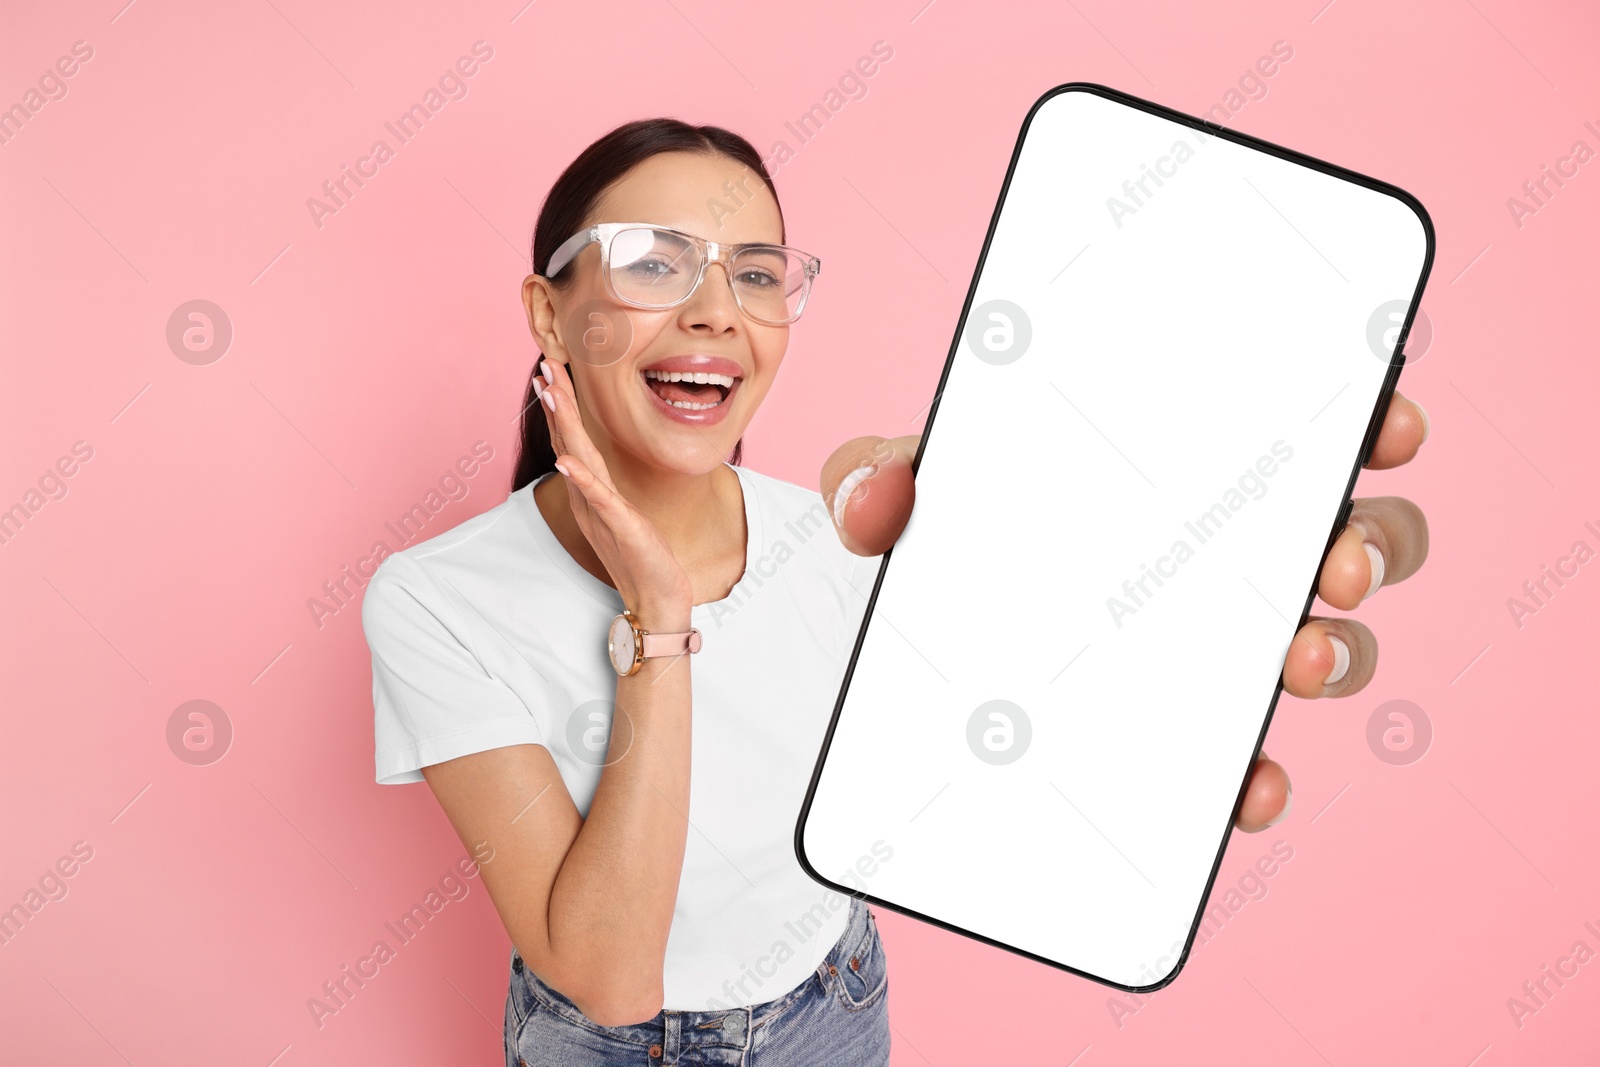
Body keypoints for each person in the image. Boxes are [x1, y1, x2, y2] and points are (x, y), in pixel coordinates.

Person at [360, 117, 1430, 1066]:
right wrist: (659, 615)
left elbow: (1003, 742)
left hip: (833, 1003)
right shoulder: (436, 599)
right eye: (653, 264)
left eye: (758, 273)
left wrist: (1189, 566)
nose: (715, 312)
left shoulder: (847, 533)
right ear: (549, 314)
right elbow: (608, 973)